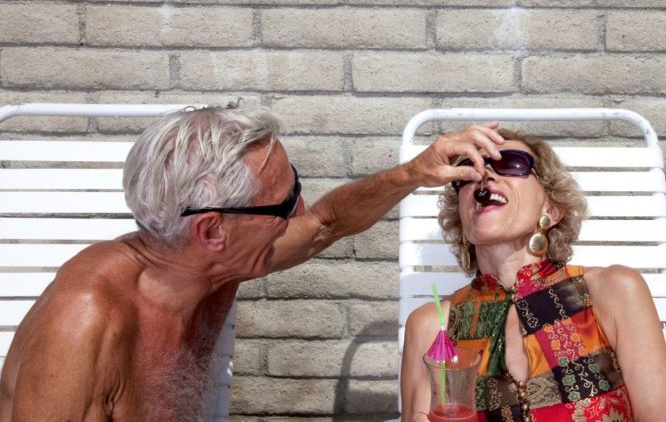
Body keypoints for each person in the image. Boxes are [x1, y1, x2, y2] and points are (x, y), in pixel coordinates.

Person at [0, 105, 505, 421]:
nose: (301, 213)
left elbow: (328, 222)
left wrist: (415, 171)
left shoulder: (210, 266)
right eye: (285, 206)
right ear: (212, 230)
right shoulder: (84, 324)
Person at [400, 129, 666, 421]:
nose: (485, 175)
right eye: (468, 172)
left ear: (551, 209)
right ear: (462, 220)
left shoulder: (612, 292)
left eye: (511, 163)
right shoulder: (432, 326)